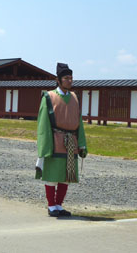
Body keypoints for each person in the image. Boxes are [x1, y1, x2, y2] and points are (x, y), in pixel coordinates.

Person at [35, 63, 87, 218]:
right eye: (66, 78)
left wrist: (82, 144)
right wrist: (45, 146)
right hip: (55, 140)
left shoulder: (74, 98)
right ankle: (51, 206)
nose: (70, 81)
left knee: (66, 175)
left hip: (71, 141)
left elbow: (79, 123)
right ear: (58, 80)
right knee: (52, 175)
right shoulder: (49, 97)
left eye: (71, 78)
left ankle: (59, 204)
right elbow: (43, 123)